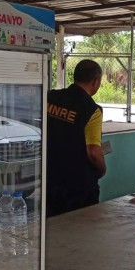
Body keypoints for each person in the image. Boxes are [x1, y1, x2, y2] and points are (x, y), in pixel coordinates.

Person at [46, 59, 106, 217]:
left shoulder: (50, 97)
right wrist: (102, 169)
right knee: (81, 228)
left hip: (50, 180)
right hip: (79, 187)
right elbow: (93, 151)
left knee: (52, 225)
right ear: (95, 81)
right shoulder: (92, 110)